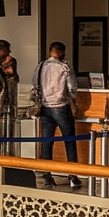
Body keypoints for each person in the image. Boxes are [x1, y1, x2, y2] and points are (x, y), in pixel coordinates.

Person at [34, 42, 81, 190]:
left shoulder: (40, 66)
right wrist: (73, 100)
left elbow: (35, 86)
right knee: (69, 141)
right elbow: (72, 87)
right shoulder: (65, 67)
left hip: (45, 107)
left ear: (50, 51)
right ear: (60, 52)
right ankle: (73, 176)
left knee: (47, 142)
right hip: (61, 107)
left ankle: (47, 177)